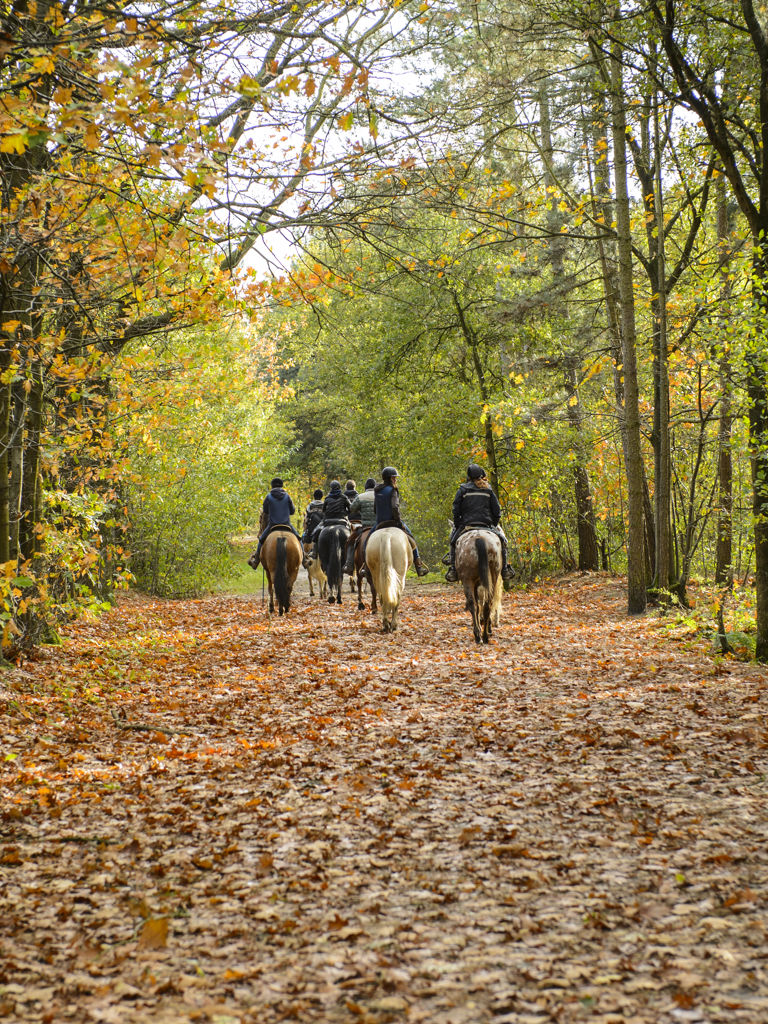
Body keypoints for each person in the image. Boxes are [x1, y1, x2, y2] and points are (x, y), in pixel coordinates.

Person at [444, 464, 514, 582]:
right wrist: (493, 523)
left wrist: (457, 523)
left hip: (467, 525)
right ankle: (505, 569)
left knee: (452, 542)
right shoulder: (488, 490)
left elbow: (456, 509)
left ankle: (453, 570)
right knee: (503, 542)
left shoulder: (463, 490)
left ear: (469, 477)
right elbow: (497, 511)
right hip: (487, 525)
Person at [369, 467, 429, 576]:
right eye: (394, 478)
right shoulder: (393, 490)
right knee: (411, 538)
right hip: (393, 522)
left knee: (366, 541)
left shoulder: (377, 490)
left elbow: (375, 509)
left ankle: (365, 566)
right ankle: (418, 565)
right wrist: (398, 521)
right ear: (389, 478)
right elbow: (395, 507)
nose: (395, 479)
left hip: (379, 523)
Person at [250, 477, 302, 569]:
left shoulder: (268, 496)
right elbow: (292, 511)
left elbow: (265, 511)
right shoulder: (287, 496)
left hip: (272, 525)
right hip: (287, 524)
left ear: (272, 486)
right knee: (299, 538)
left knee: (261, 539)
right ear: (282, 486)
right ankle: (305, 558)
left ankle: (256, 560)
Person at [344, 476, 376, 574]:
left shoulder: (361, 496)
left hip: (365, 526)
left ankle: (349, 564)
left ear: (365, 487)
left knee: (351, 541)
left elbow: (352, 508)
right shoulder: (379, 495)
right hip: (378, 525)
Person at [310, 480, 351, 551]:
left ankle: (314, 551)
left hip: (328, 521)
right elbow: (351, 508)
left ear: (331, 488)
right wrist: (345, 513)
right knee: (353, 535)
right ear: (339, 487)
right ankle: (351, 556)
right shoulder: (344, 497)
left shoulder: (327, 498)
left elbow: (324, 511)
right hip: (341, 520)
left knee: (316, 531)